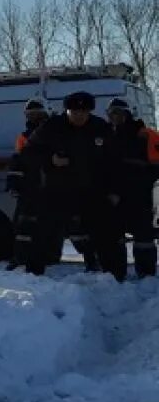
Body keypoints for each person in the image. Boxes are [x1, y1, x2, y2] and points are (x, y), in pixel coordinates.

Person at [22, 90, 126, 281]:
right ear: (67, 111)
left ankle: (115, 277)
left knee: (107, 234)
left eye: (83, 112)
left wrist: (114, 191)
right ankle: (33, 276)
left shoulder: (100, 128)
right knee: (44, 233)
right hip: (58, 191)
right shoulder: (52, 127)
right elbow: (28, 152)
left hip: (93, 191)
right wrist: (50, 159)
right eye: (74, 112)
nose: (79, 116)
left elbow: (115, 162)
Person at [105, 97, 159, 278]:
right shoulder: (107, 137)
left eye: (119, 113)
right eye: (112, 113)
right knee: (113, 237)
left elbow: (155, 167)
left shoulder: (144, 135)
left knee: (143, 238)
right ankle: (116, 275)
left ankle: (146, 275)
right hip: (114, 197)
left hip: (139, 196)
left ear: (128, 113)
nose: (115, 117)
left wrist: (139, 181)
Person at [5, 99, 49, 271]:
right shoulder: (23, 137)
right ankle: (19, 257)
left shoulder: (54, 133)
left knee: (71, 225)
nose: (34, 117)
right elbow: (17, 162)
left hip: (53, 187)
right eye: (30, 114)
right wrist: (14, 183)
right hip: (29, 187)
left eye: (37, 114)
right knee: (22, 224)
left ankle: (90, 259)